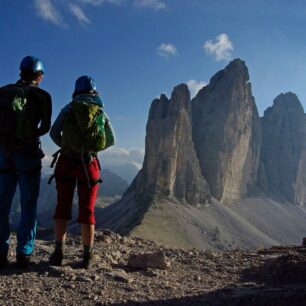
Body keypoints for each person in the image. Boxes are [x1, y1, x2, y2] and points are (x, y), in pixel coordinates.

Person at [49, 75, 115, 269]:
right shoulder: (100, 112)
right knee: (87, 209)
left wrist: (67, 147)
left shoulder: (68, 109)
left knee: (62, 207)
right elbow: (111, 140)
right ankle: (87, 256)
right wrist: (91, 151)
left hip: (66, 162)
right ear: (94, 91)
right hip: (89, 165)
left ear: (76, 91)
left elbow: (53, 133)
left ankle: (58, 253)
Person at [0, 56, 52, 269]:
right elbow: (46, 126)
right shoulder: (42, 95)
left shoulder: (2, 92)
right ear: (39, 76)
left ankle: (0, 253)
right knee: (28, 205)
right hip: (28, 156)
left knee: (2, 205)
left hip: (3, 155)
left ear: (21, 72)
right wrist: (29, 138)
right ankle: (24, 253)